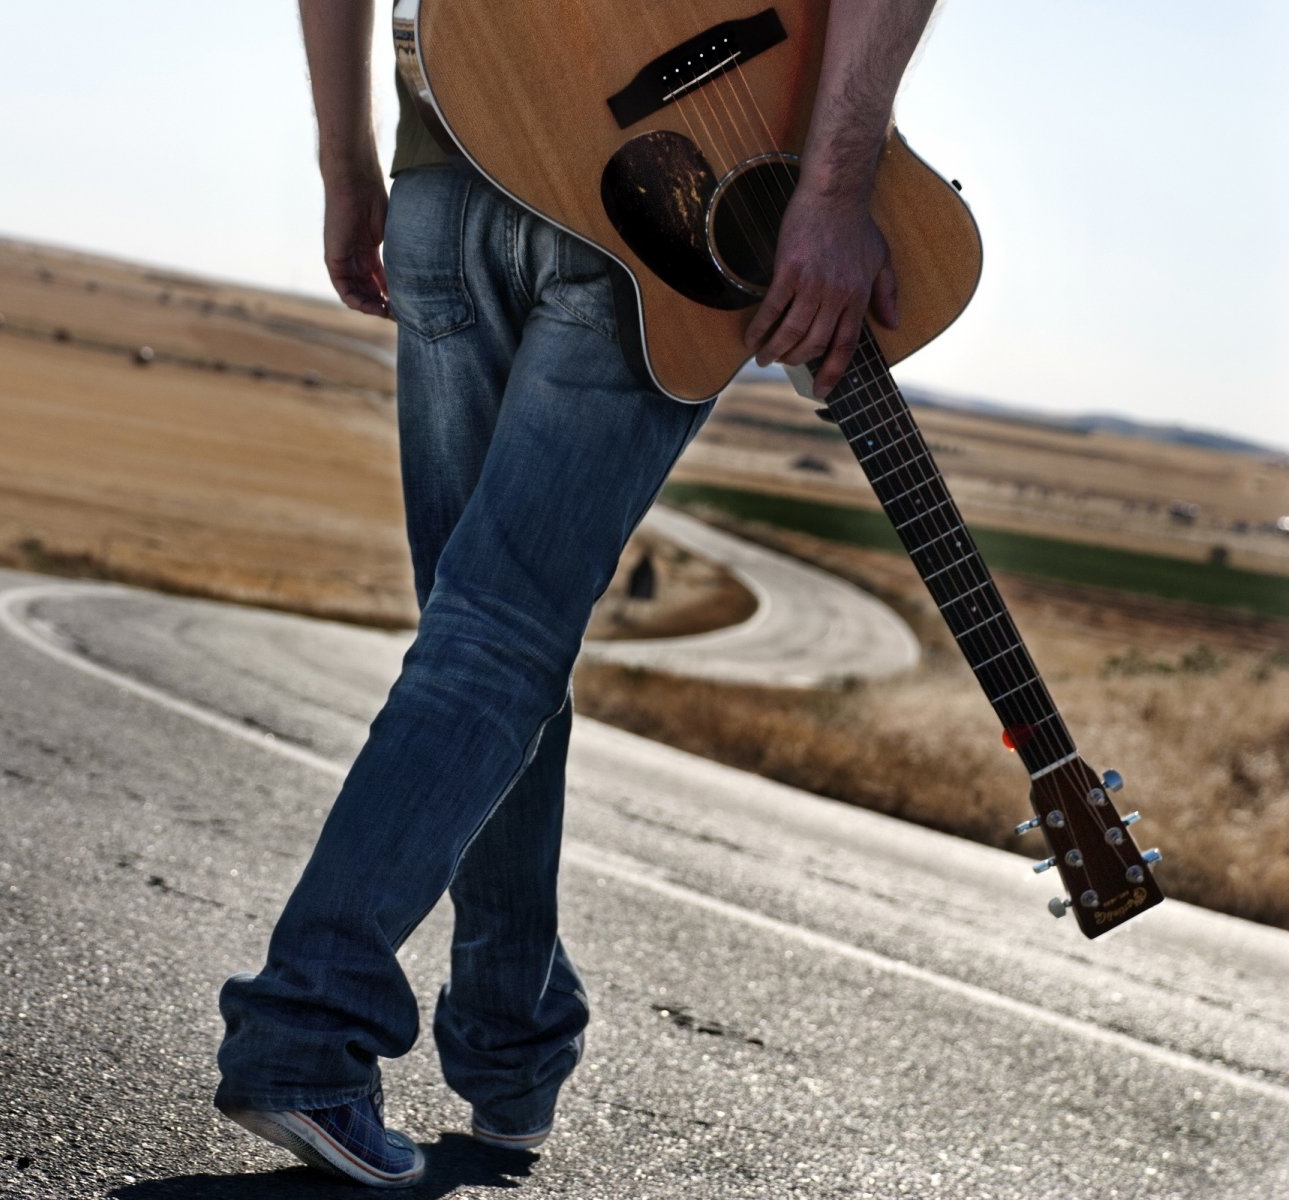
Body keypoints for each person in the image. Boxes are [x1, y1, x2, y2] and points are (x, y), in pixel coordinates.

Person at [215, 0, 938, 1186]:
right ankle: (307, 1028)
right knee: (497, 641)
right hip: (653, 179)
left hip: (449, 165)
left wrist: (350, 166)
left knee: (491, 645)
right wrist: (829, 193)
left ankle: (510, 1047)